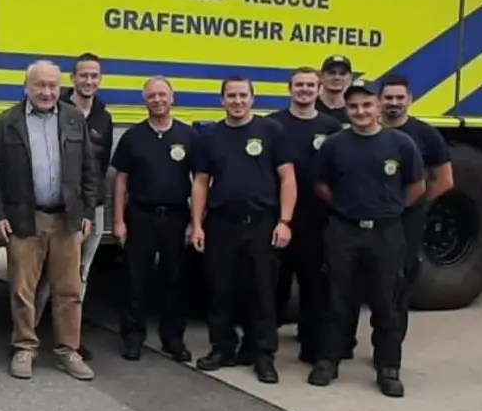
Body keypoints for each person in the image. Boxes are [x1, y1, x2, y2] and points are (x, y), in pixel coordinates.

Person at [0, 60, 99, 381]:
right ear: (26, 87)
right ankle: (24, 348)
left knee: (69, 290)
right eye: (40, 85)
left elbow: (90, 169)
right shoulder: (7, 122)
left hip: (67, 219)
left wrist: (87, 211)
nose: (47, 91)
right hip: (25, 218)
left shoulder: (74, 119)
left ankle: (68, 351)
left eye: (52, 85)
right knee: (23, 289)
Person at [309, 80, 425, 398]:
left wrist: (394, 208)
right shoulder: (334, 145)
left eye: (366, 105)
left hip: (386, 233)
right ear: (346, 109)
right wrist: (343, 208)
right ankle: (328, 361)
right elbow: (320, 184)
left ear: (377, 107)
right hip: (344, 231)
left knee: (387, 301)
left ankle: (388, 368)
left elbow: (417, 186)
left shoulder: (401, 144)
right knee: (336, 298)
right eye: (353, 106)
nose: (360, 111)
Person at [190, 77, 297, 384]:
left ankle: (261, 353)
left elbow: (288, 178)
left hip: (263, 222)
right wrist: (197, 224)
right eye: (231, 96)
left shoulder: (272, 132)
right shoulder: (209, 137)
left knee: (263, 291)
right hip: (222, 223)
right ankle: (222, 347)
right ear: (222, 100)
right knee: (220, 289)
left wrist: (285, 221)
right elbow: (200, 183)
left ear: (253, 98)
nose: (237, 101)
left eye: (242, 95)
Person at [109, 76, 196, 363]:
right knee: (136, 280)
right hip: (141, 216)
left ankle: (173, 339)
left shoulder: (189, 136)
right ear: (144, 100)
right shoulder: (133, 137)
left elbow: (199, 182)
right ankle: (133, 338)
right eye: (152, 96)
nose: (157, 100)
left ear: (173, 98)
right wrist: (119, 221)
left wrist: (195, 223)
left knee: (176, 281)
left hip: (175, 216)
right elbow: (121, 181)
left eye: (162, 95)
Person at [267, 66, 343, 364]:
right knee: (273, 283)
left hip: (317, 218)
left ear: (319, 88)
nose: (305, 90)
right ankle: (265, 345)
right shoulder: (272, 125)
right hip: (278, 216)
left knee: (314, 285)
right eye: (299, 85)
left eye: (311, 85)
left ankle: (312, 347)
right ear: (289, 89)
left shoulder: (332, 128)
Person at [42, 51, 113, 361]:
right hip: (60, 208)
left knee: (80, 273)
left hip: (91, 207)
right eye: (83, 75)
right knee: (46, 272)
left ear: (100, 80)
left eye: (94, 76)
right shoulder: (57, 110)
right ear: (72, 79)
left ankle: (72, 337)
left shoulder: (103, 116)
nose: (88, 81)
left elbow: (101, 163)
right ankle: (28, 335)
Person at [377, 74, 454, 341]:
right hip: (367, 221)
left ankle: (390, 347)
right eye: (388, 98)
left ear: (410, 100)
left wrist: (412, 205)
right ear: (379, 100)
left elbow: (444, 180)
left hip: (405, 222)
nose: (394, 103)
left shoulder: (425, 134)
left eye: (400, 98)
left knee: (399, 283)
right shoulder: (365, 130)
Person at [315, 55, 354, 124]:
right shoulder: (310, 106)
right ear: (321, 76)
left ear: (350, 78)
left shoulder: (355, 110)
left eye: (342, 74)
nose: (337, 77)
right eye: (331, 73)